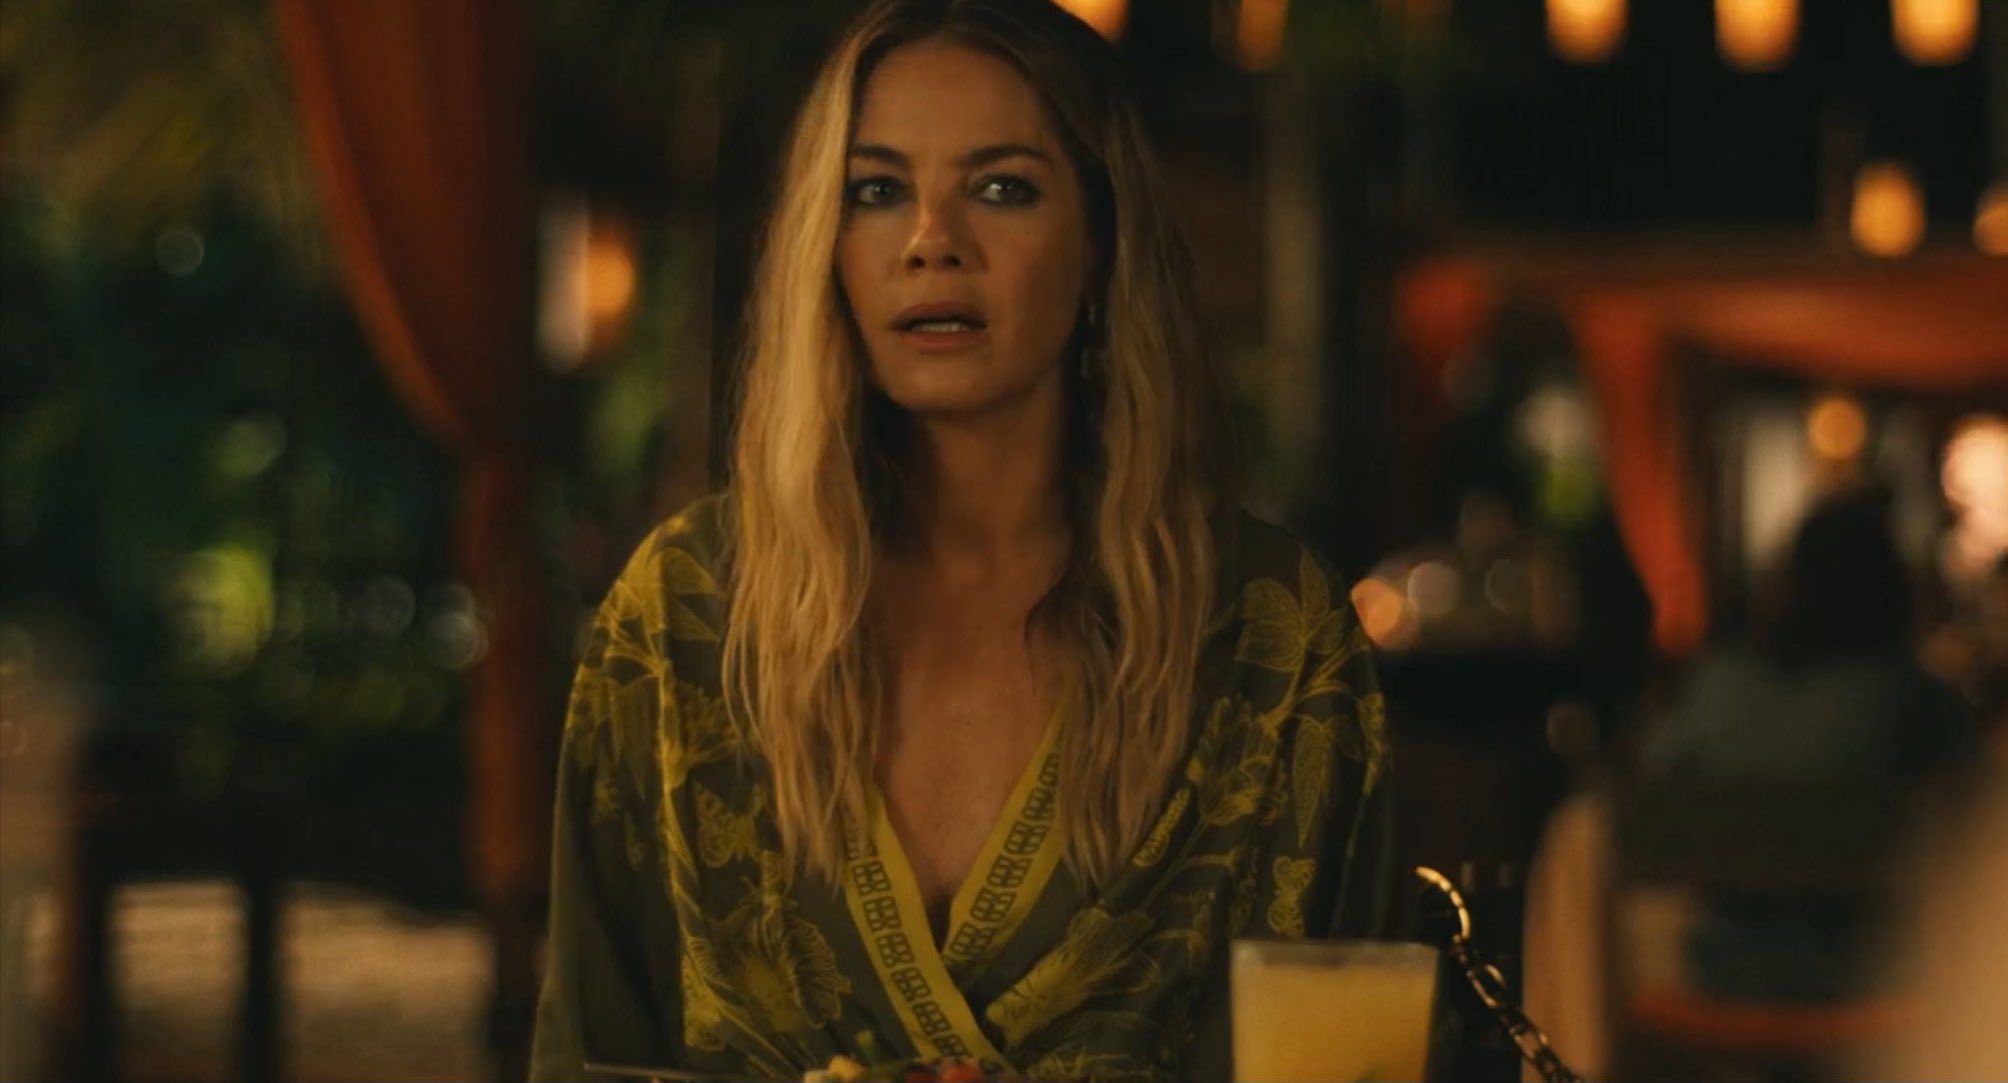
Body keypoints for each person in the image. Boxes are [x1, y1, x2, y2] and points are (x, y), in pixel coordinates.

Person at [528, 2, 1390, 1080]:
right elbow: (583, 1056)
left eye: (1001, 188)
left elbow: (1357, 1053)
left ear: (1099, 245)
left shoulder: (1268, 635)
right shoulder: (683, 620)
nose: (933, 241)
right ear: (824, 246)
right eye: (877, 191)